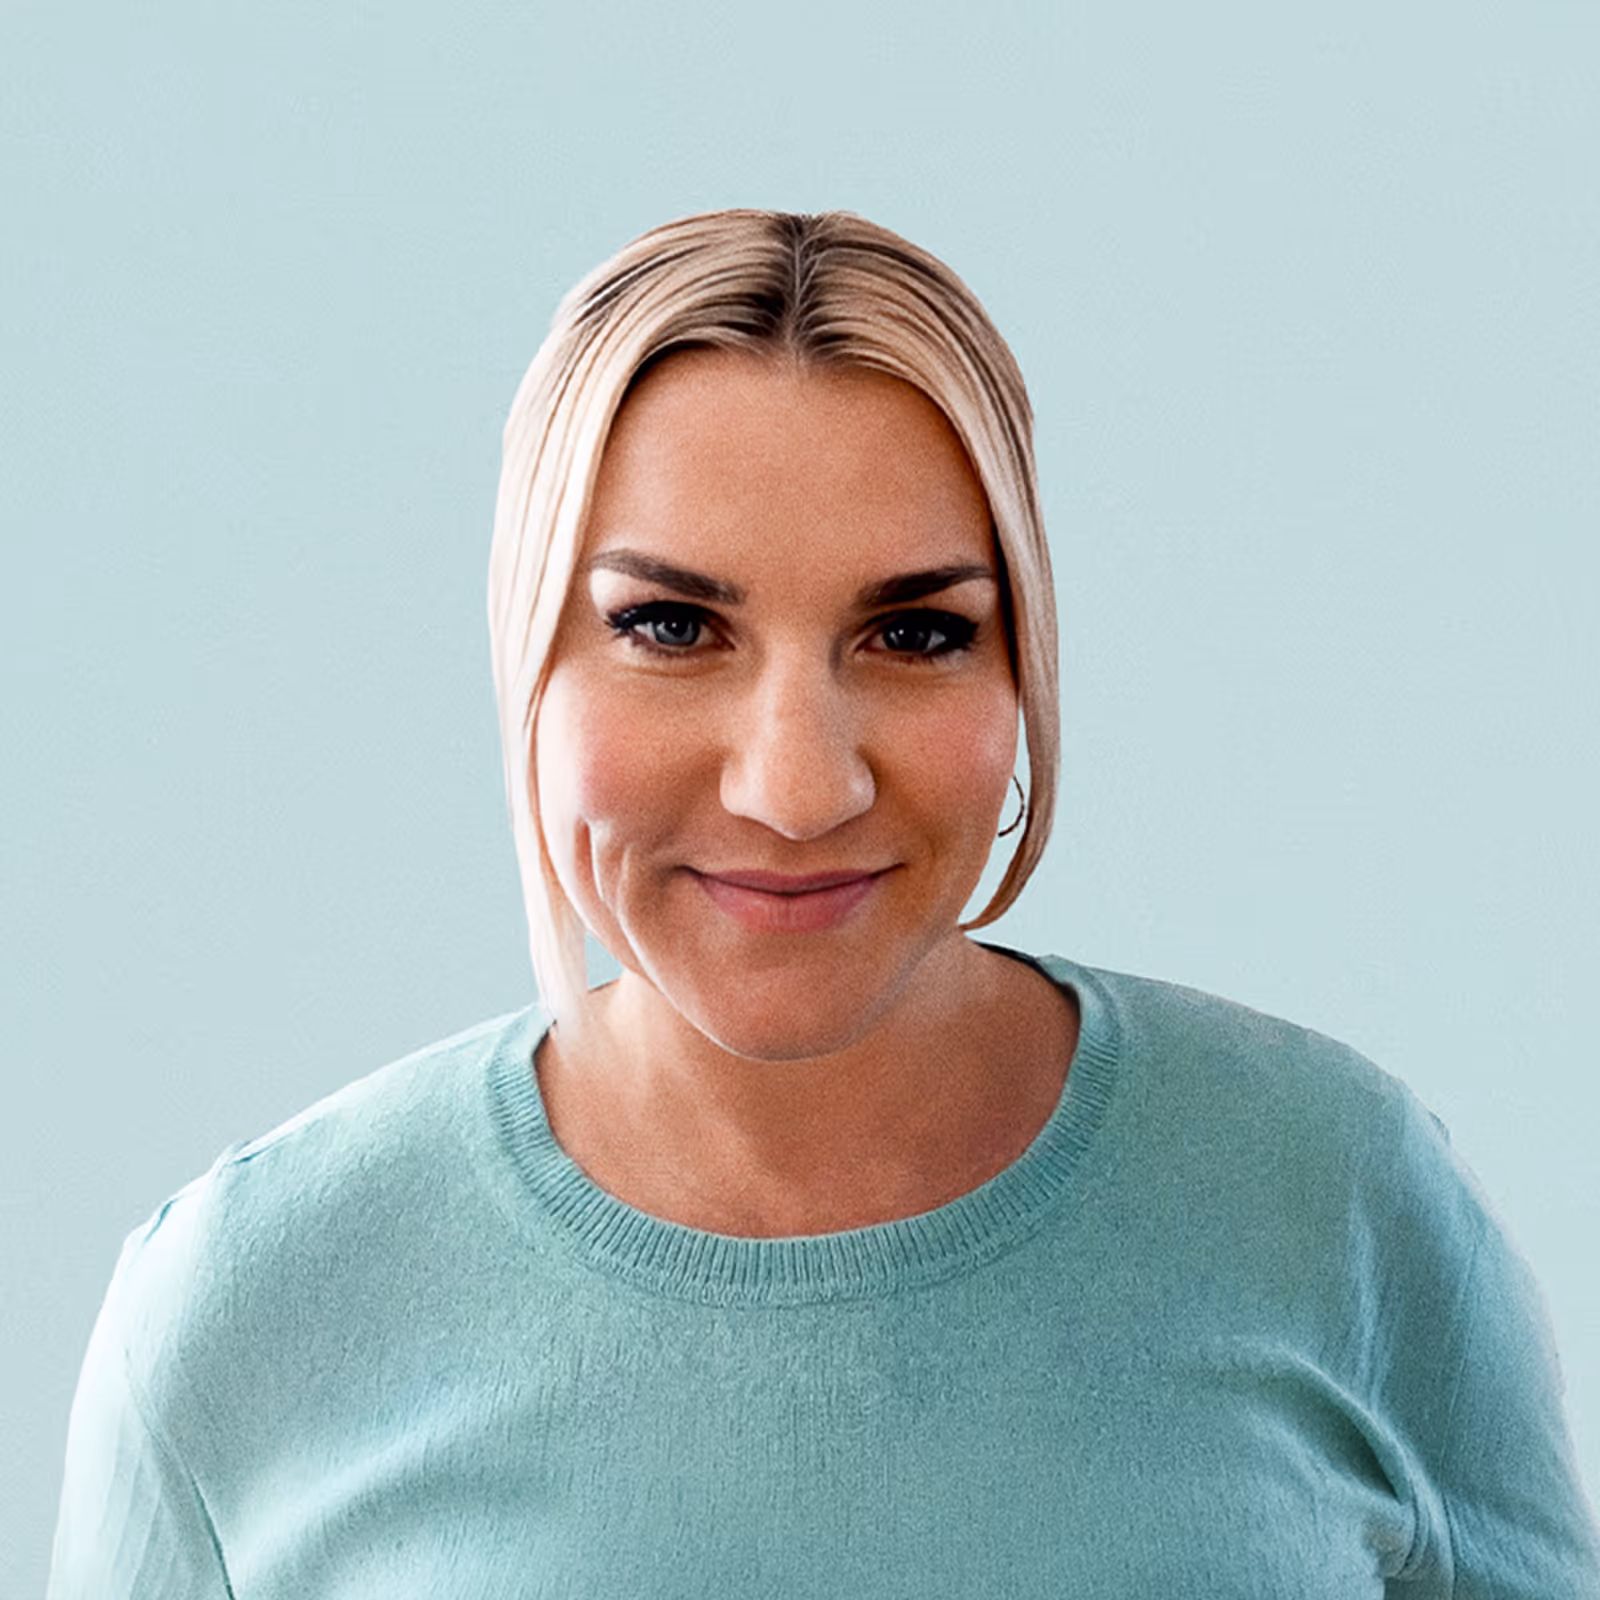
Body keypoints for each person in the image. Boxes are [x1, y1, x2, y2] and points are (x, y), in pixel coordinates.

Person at [47, 209, 1600, 1596]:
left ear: (1024, 667)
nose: (798, 789)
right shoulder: (250, 1303)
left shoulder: (1337, 1200)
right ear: (528, 665)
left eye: (916, 633)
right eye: (668, 625)